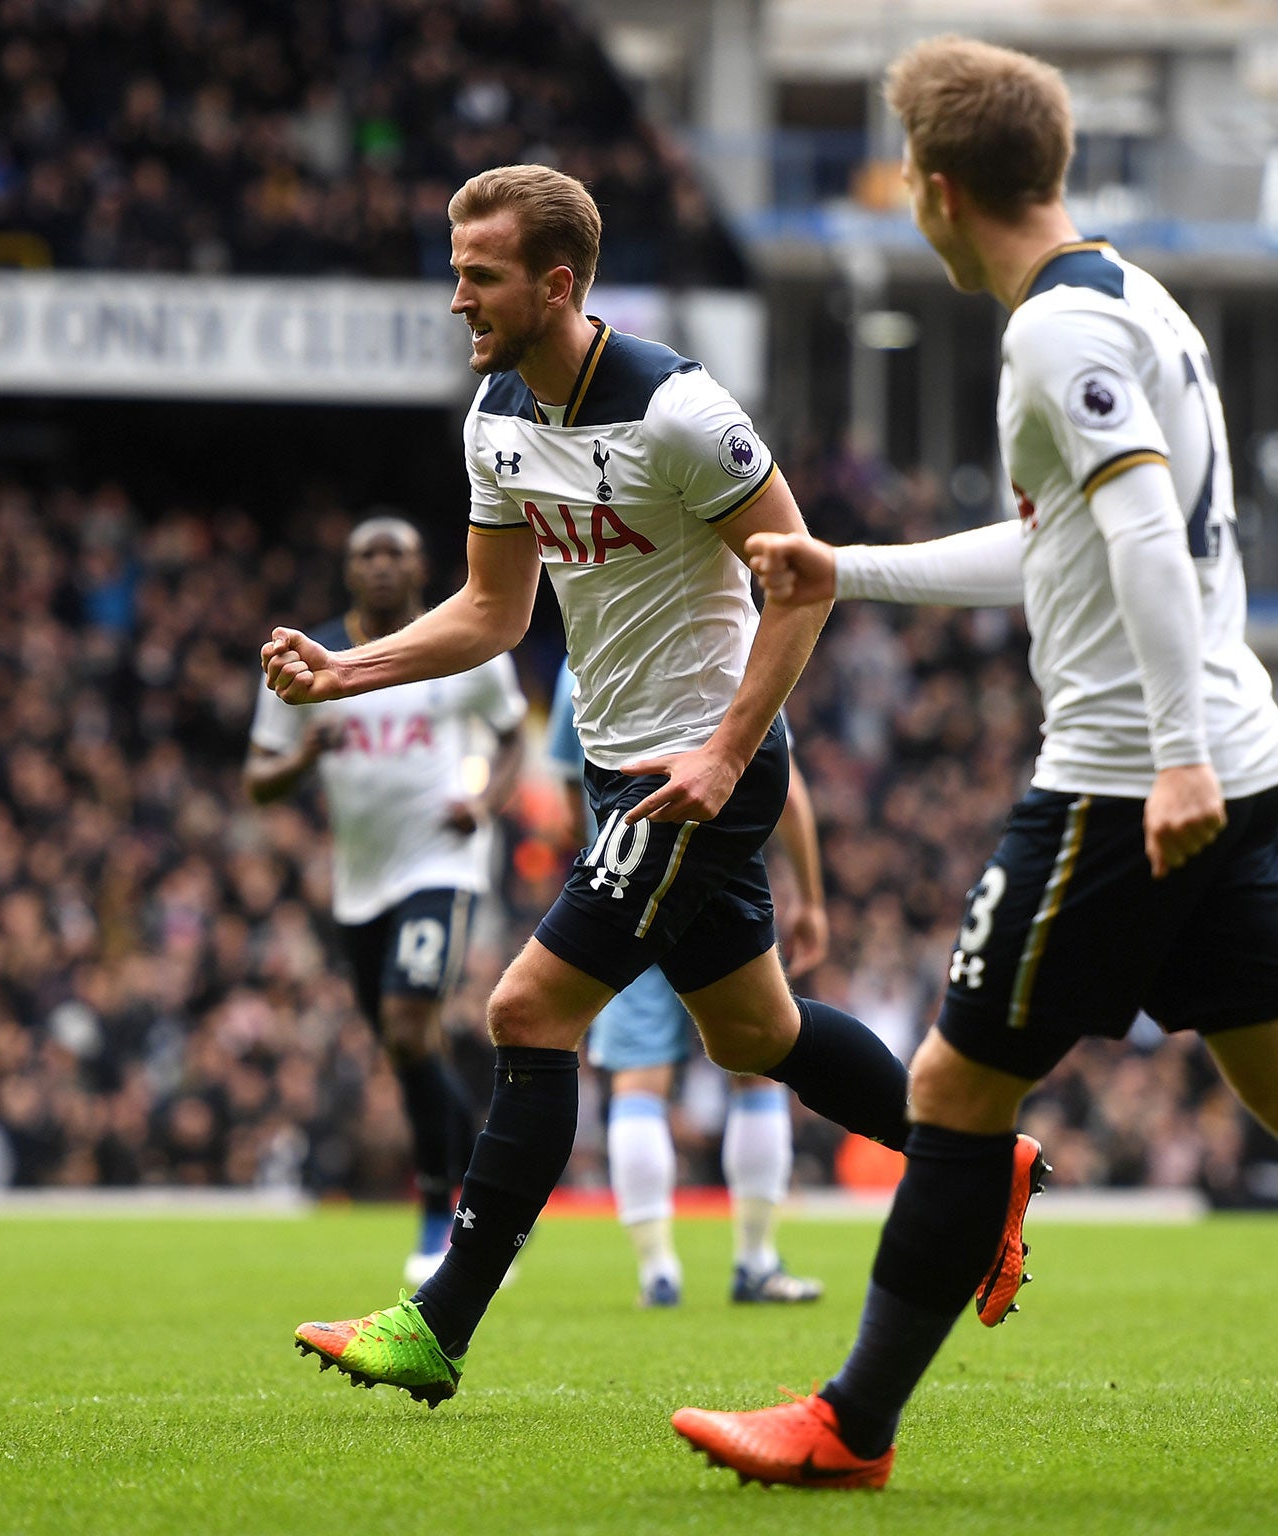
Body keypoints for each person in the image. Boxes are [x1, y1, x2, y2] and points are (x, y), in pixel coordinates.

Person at [670, 37, 1278, 1495]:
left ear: (938, 191)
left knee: (950, 1093)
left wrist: (1174, 760)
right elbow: (1070, 536)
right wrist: (848, 570)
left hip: (1136, 775)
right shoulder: (1137, 303)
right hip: (1231, 757)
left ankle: (848, 1428)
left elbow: (1138, 534)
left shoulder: (1051, 336)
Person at [265, 165, 1027, 1407]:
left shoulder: (680, 411)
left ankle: (436, 1326)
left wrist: (725, 752)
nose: (456, 299)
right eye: (454, 270)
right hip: (618, 769)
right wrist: (349, 670)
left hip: (696, 772)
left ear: (555, 283)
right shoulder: (495, 419)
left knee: (525, 1012)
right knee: (756, 1034)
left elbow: (803, 579)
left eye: (480, 276)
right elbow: (493, 613)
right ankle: (981, 1165)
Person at [245, 515, 526, 1285]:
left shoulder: (457, 643)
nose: (378, 565)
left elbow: (511, 737)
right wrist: (307, 752)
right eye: (364, 553)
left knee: (408, 1028)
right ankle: (480, 1198)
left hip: (442, 861)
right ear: (347, 571)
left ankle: (447, 1208)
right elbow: (257, 780)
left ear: (419, 564)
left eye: (392, 552)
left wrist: (487, 804)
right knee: (407, 1050)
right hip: (359, 883)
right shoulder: (312, 658)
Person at [550, 659, 829, 1307]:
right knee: (757, 1063)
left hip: (628, 883)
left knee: (639, 1081)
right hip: (720, 880)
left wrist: (600, 870)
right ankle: (756, 1260)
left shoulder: (580, 667)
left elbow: (572, 795)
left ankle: (658, 1270)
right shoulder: (725, 651)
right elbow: (783, 783)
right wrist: (811, 896)